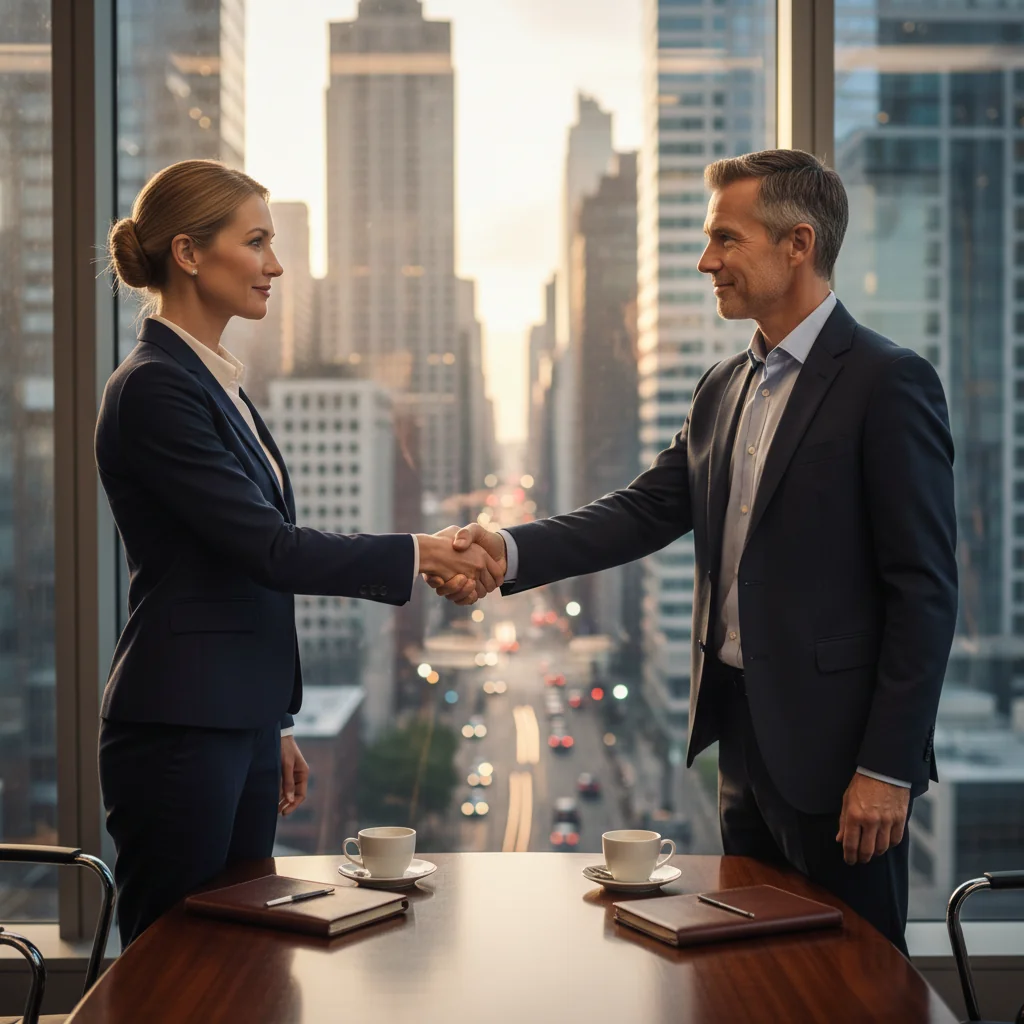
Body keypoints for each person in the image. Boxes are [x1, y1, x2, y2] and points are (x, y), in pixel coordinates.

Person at [429, 149, 958, 953]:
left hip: (843, 760)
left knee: (853, 981)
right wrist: (507, 549)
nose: (706, 260)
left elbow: (924, 591)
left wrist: (886, 768)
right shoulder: (723, 385)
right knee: (747, 970)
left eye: (725, 239)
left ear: (798, 244)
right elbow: (642, 512)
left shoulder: (890, 382)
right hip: (743, 749)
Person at [96, 159, 503, 946]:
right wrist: (420, 551)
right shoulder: (154, 387)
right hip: (180, 730)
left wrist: (271, 719)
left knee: (244, 955)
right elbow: (267, 550)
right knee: (174, 965)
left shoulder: (218, 385)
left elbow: (230, 572)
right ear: (188, 253)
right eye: (256, 242)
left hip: (232, 722)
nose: (274, 265)